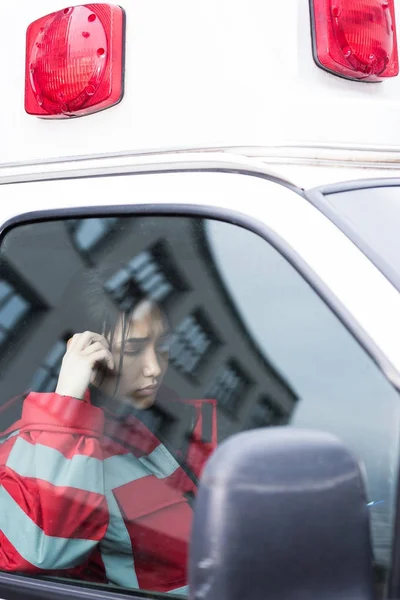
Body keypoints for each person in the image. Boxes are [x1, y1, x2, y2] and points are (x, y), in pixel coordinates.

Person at [0, 297, 217, 593]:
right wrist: (68, 399)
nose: (154, 368)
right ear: (85, 353)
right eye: (133, 349)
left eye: (163, 348)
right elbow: (41, 553)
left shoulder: (146, 432)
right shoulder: (30, 447)